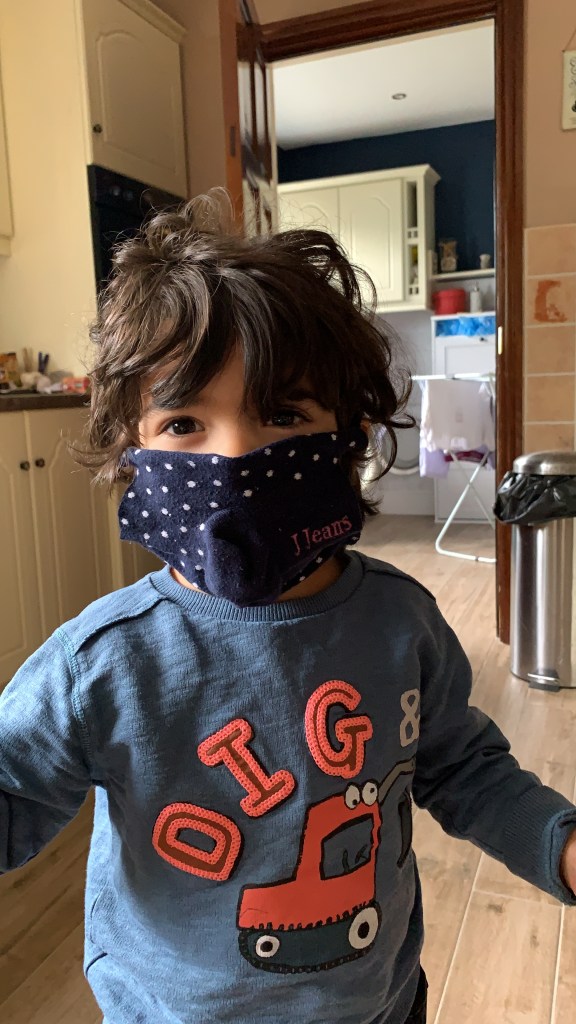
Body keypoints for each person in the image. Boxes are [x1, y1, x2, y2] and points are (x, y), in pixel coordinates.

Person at [1, 196, 575, 1024]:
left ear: (349, 435)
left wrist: (562, 842)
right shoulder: (102, 664)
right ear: (133, 450)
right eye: (185, 421)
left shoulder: (400, 623)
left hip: (379, 1004)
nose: (237, 458)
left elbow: (463, 769)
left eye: (283, 415)